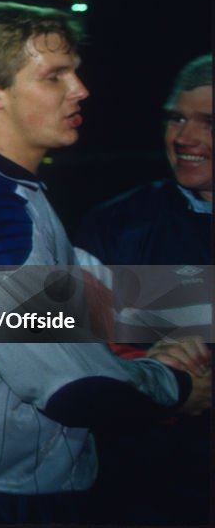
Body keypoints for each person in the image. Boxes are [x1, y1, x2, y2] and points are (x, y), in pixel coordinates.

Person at [0, 2, 211, 525]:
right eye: (55, 76)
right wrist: (175, 385)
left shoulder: (18, 193)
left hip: (40, 481)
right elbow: (71, 387)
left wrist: (169, 333)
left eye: (74, 71)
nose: (81, 89)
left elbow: (84, 303)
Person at [75, 53, 211, 524]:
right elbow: (67, 346)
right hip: (138, 482)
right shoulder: (116, 225)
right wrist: (152, 368)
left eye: (208, 123)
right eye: (176, 118)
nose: (184, 138)